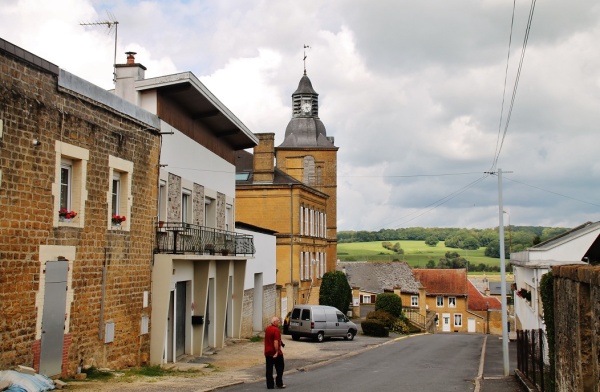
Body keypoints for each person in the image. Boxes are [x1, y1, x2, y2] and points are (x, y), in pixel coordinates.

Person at [264, 316, 286, 389]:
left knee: (269, 369)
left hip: (267, 352)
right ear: (274, 322)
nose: (279, 322)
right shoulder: (276, 330)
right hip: (276, 353)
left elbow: (272, 338)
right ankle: (279, 383)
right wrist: (277, 352)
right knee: (280, 367)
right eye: (278, 321)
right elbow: (275, 341)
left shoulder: (267, 329)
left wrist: (282, 343)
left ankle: (270, 385)